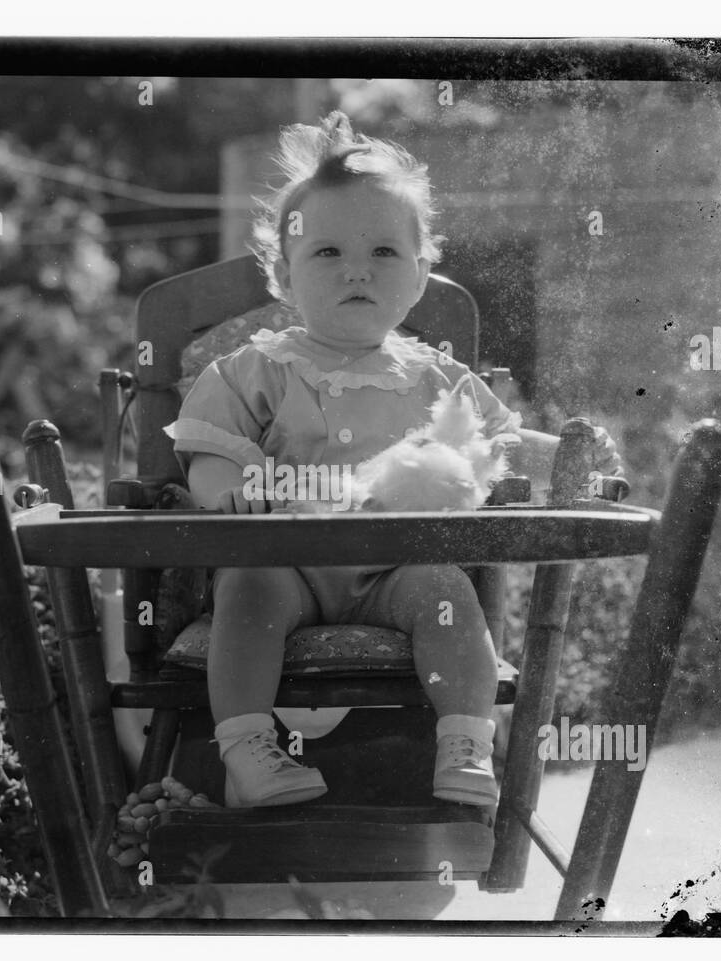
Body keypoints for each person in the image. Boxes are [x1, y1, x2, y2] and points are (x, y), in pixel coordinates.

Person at [164, 111, 621, 808]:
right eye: (326, 254)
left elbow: (497, 441)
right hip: (288, 563)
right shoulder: (258, 368)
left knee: (449, 594)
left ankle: (465, 743)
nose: (356, 269)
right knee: (246, 589)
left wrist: (567, 456)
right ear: (284, 275)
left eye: (383, 252)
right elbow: (208, 440)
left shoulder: (435, 377)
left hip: (396, 569)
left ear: (418, 277)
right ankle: (249, 751)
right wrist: (225, 485)